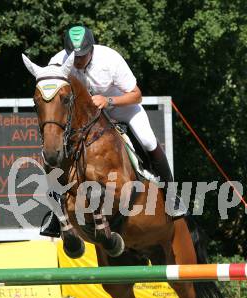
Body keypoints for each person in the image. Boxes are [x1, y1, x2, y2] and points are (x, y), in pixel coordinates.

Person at [41, 26, 186, 236]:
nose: (79, 61)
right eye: (75, 56)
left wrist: (108, 100)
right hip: (85, 118)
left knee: (147, 141)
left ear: (92, 49)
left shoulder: (111, 59)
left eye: (83, 55)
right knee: (54, 150)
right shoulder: (57, 61)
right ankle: (56, 214)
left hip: (121, 108)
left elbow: (136, 95)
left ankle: (171, 195)